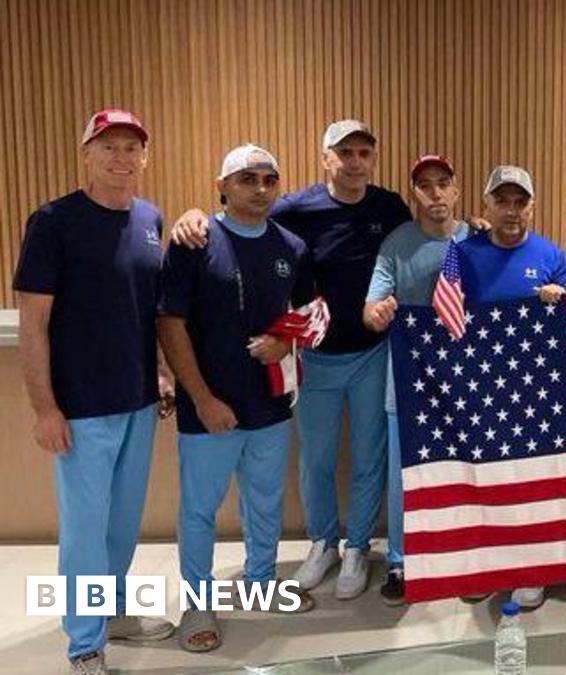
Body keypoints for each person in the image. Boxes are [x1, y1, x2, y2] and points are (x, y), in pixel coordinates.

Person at [170, 120, 413, 600]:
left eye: (365, 152)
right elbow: (239, 222)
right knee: (316, 462)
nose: (355, 161)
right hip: (317, 360)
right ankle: (324, 543)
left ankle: (359, 547)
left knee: (368, 458)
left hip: (371, 354)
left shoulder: (388, 206)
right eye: (345, 153)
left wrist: (475, 228)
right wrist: (192, 213)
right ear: (326, 158)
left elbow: (426, 235)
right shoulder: (294, 209)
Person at [14, 109, 175, 675]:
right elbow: (32, 324)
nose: (121, 157)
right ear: (87, 152)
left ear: (145, 157)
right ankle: (85, 642)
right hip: (80, 406)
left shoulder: (151, 219)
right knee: (85, 529)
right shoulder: (53, 222)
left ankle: (112, 608)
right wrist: (44, 408)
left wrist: (159, 370)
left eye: (132, 147)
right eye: (108, 146)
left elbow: (151, 311)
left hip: (136, 400)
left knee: (122, 521)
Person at [158, 144, 316, 654]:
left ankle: (262, 580)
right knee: (200, 510)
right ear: (223, 186)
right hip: (210, 410)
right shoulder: (195, 240)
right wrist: (200, 398)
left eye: (270, 179)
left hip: (269, 406)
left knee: (265, 503)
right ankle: (198, 603)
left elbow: (315, 310)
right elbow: (169, 322)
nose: (261, 188)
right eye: (248, 179)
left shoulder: (291, 245)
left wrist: (286, 341)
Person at [456, 165, 566, 611]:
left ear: (532, 206)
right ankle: (486, 566)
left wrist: (557, 300)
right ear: (486, 205)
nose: (511, 210)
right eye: (501, 201)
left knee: (531, 484)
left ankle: (531, 568)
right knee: (484, 483)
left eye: (520, 201)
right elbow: (446, 318)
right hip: (481, 387)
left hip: (534, 389)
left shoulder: (550, 254)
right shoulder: (461, 254)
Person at [363, 154, 471, 605]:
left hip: (469, 379)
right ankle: (400, 563)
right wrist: (379, 311)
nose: (435, 193)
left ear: (456, 190)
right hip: (408, 380)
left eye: (443, 183)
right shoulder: (395, 243)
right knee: (404, 477)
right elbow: (371, 311)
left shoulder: (477, 238)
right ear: (414, 194)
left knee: (468, 472)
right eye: (425, 185)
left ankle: (469, 558)